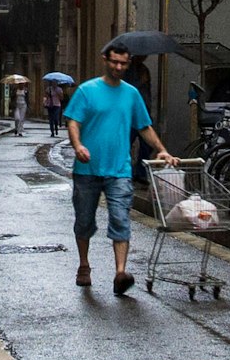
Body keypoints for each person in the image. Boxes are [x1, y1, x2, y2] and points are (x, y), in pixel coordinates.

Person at [60, 47, 161, 294]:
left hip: (119, 170)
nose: (118, 68)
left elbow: (144, 126)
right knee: (84, 221)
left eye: (123, 64)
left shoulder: (131, 94)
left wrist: (162, 149)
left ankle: (120, 273)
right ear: (105, 59)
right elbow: (73, 121)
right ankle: (84, 264)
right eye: (114, 62)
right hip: (87, 169)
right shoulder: (87, 90)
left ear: (128, 64)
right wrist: (78, 145)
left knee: (120, 218)